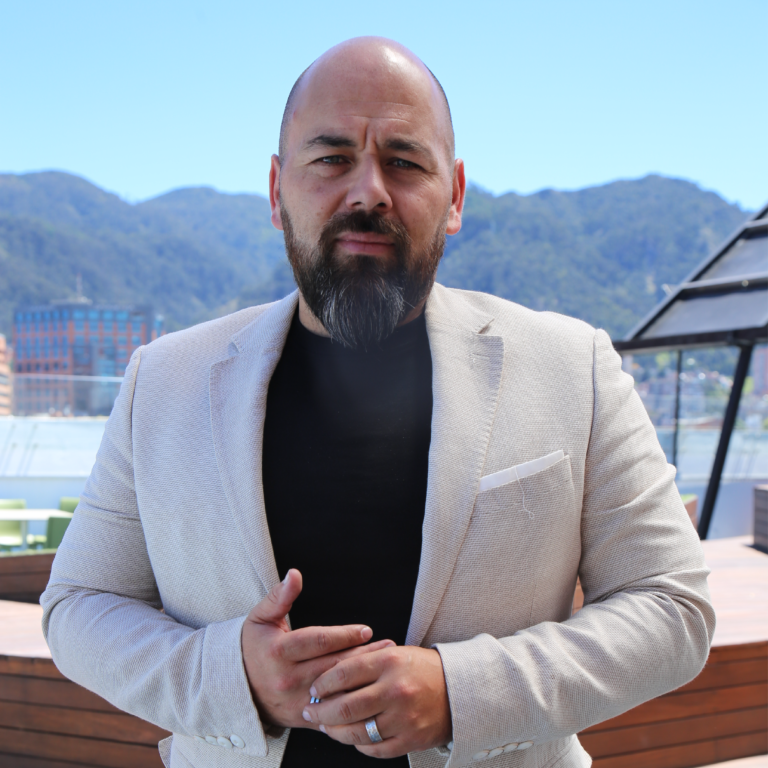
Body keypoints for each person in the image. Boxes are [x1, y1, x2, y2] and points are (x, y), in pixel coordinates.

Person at [41, 37, 715, 768]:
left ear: (454, 197)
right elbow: (80, 605)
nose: (368, 192)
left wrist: (462, 693)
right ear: (277, 190)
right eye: (332, 158)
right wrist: (231, 678)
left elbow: (672, 606)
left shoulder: (571, 367)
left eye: (404, 162)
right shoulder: (163, 381)